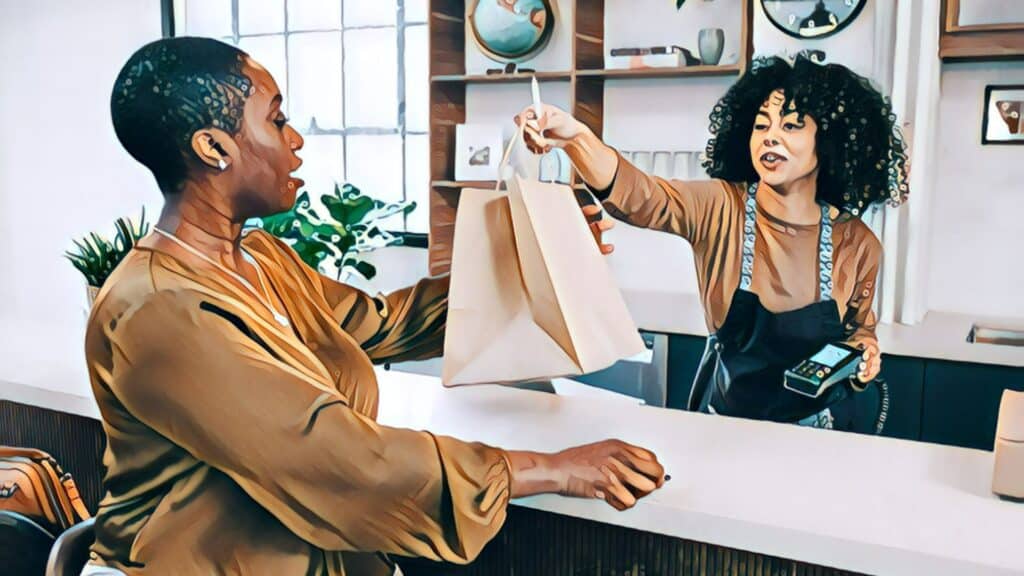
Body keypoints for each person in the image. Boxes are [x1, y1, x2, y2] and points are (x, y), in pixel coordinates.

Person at [83, 37, 664, 576]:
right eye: (277, 119)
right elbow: (334, 457)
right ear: (213, 148)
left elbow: (383, 324)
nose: (295, 140)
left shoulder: (262, 259)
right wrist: (549, 468)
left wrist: (537, 252)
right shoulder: (156, 309)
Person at [516, 55, 909, 429]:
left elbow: (857, 331)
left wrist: (865, 359)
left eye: (790, 126)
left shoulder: (858, 243)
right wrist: (575, 138)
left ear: (829, 141)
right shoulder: (721, 207)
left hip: (818, 433)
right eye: (761, 126)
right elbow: (642, 197)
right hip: (723, 427)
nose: (770, 138)